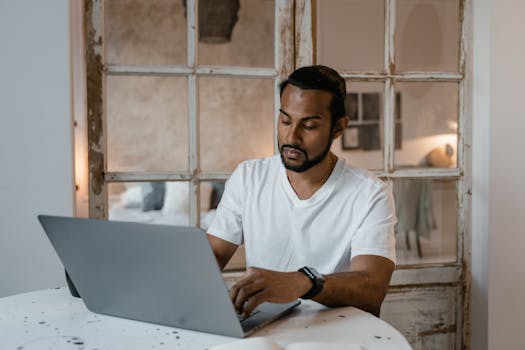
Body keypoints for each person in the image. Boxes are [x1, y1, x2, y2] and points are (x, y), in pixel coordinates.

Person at [207, 65, 396, 318]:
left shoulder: (370, 194)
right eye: (285, 120)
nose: (291, 137)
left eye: (308, 125)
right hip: (261, 328)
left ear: (338, 128)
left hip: (336, 333)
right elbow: (213, 255)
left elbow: (372, 288)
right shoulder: (248, 177)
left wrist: (304, 282)